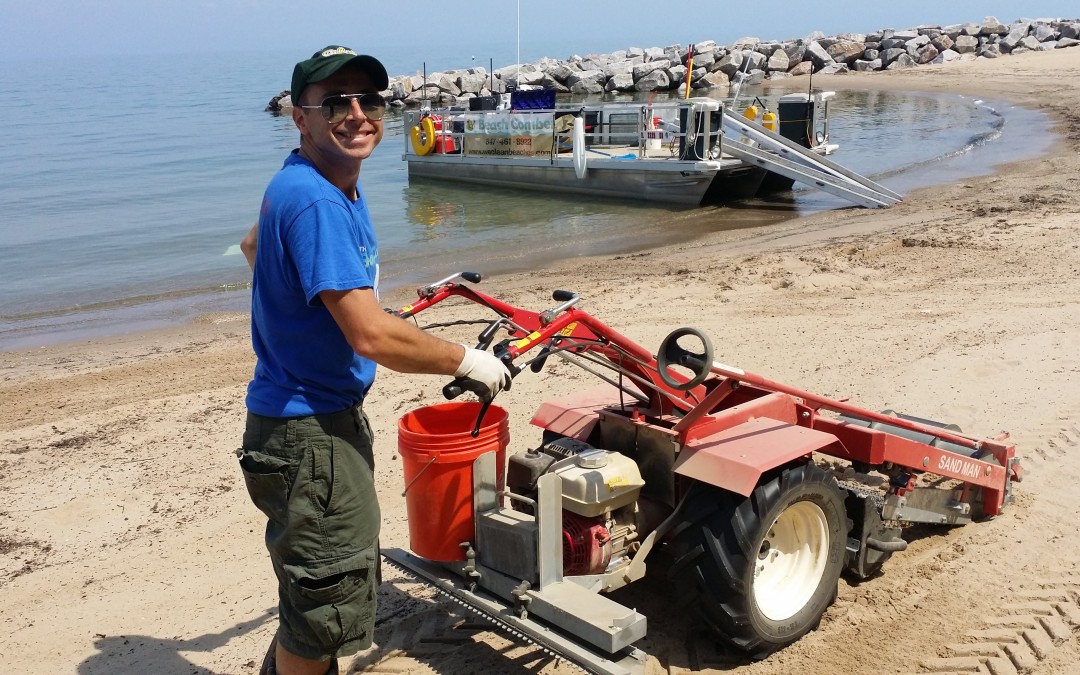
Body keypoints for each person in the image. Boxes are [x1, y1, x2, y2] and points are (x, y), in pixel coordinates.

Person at [237, 46, 511, 675]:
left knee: (314, 588)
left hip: (298, 421)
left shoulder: (303, 180)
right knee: (323, 612)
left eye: (369, 100)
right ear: (300, 117)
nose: (357, 113)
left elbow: (254, 246)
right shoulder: (320, 202)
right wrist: (465, 360)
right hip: (311, 434)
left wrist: (300, 317)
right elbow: (371, 338)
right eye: (335, 101)